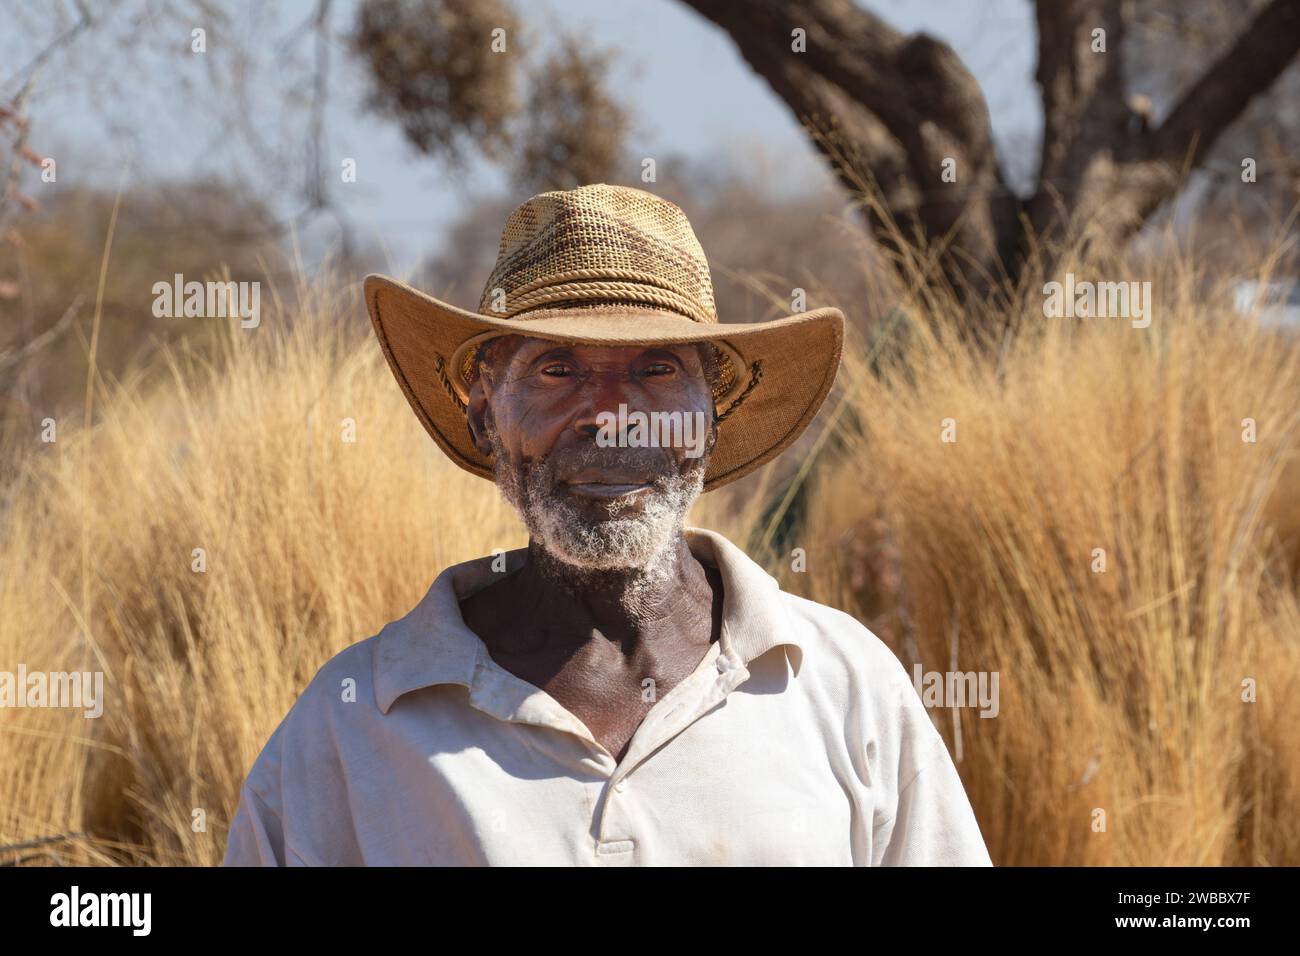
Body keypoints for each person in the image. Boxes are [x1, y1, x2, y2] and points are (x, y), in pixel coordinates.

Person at [222, 183, 992, 866]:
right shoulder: (359, 720)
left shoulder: (840, 683)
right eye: (557, 371)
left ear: (710, 417)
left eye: (656, 370)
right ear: (484, 411)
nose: (614, 419)